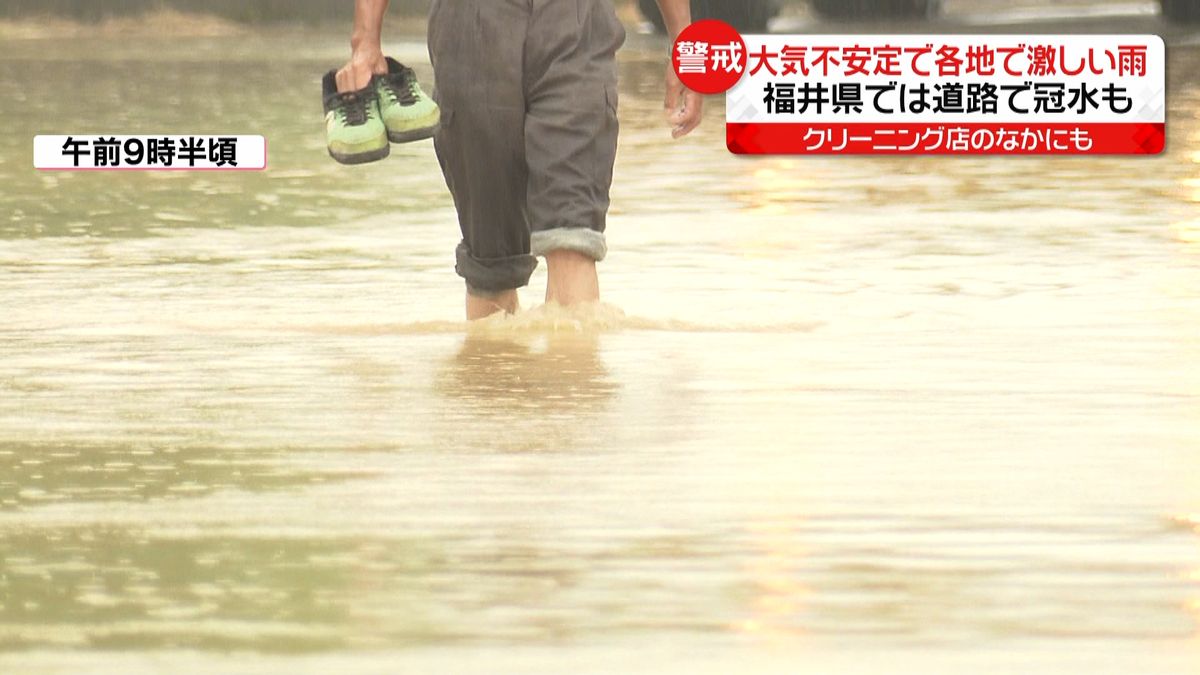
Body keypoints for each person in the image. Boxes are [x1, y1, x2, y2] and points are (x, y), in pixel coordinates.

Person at [337, 0, 703, 320]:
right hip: (470, 28)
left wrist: (683, 43)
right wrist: (365, 40)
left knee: (573, 235)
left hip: (576, 27)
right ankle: (496, 391)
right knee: (491, 264)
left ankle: (572, 393)